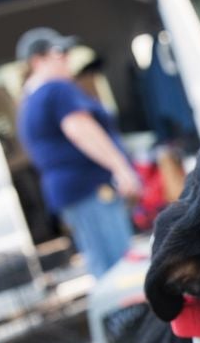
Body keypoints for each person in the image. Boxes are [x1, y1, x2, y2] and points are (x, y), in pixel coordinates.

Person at [15, 27, 140, 278]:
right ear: (37, 60)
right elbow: (81, 130)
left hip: (70, 190)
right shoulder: (56, 89)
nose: (67, 57)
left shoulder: (30, 98)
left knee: (100, 261)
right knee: (119, 265)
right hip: (90, 186)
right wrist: (120, 167)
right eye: (59, 52)